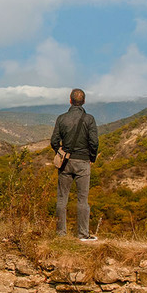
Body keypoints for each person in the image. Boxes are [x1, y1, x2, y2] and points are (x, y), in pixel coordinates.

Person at [51, 88, 99, 241]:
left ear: (70, 100)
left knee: (61, 198)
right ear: (83, 101)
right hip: (83, 162)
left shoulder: (61, 118)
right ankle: (83, 234)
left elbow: (53, 141)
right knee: (82, 199)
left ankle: (60, 233)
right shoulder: (89, 119)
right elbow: (94, 142)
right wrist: (92, 157)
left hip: (65, 162)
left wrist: (60, 153)